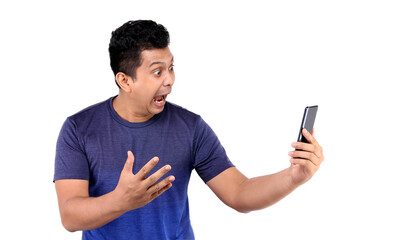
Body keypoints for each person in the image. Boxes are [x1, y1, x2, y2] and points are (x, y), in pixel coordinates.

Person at [54, 20, 324, 239]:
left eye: (171, 68)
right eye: (157, 72)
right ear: (125, 81)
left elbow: (239, 193)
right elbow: (69, 216)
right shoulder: (79, 129)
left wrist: (294, 176)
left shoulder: (190, 127)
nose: (170, 80)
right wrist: (121, 200)